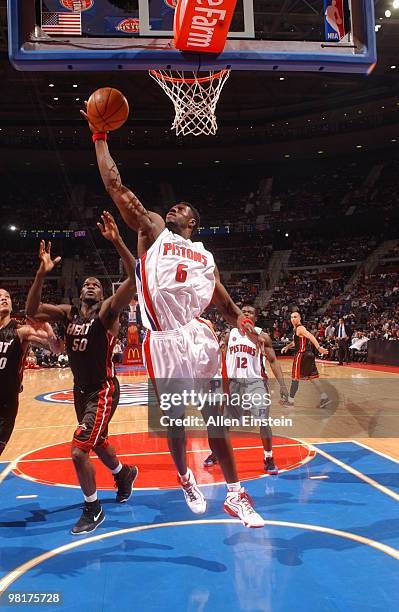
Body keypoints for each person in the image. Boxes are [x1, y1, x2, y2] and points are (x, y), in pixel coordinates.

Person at [85, 116, 266, 528]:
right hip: (162, 340)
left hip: (197, 337)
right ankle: (185, 476)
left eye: (181, 208)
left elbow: (227, 307)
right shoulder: (154, 231)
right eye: (171, 206)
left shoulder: (205, 257)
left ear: (193, 222)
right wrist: (99, 137)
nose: (173, 208)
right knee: (176, 423)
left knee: (214, 417)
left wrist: (249, 329)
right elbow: (117, 187)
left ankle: (236, 494)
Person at [26, 212, 138, 535]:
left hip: (103, 389)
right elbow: (32, 311)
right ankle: (123, 473)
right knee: (98, 442)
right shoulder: (68, 312)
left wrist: (117, 240)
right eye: (86, 282)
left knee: (78, 450)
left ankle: (93, 508)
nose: (90, 284)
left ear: (103, 295)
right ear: (80, 290)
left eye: (96, 284)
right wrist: (40, 274)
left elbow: (134, 277)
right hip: (79, 390)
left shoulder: (108, 313)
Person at [203, 304, 289, 474]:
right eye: (244, 312)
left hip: (255, 383)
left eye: (251, 312)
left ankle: (268, 457)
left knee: (263, 421)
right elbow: (221, 359)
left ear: (255, 318)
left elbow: (273, 361)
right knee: (223, 422)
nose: (247, 313)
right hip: (233, 383)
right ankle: (216, 453)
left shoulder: (262, 336)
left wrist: (283, 385)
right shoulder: (230, 334)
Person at [0, 288, 58, 456]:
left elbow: (53, 347)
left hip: (6, 404)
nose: (4, 299)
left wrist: (49, 333)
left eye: (7, 297)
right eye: (0, 297)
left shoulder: (20, 330)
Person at [281, 311, 329, 408]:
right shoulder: (297, 330)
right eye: (291, 317)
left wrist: (319, 348)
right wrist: (287, 347)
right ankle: (324, 397)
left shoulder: (300, 328)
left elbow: (311, 336)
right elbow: (295, 342)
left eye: (295, 317)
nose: (293, 319)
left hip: (301, 355)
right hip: (309, 355)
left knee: (295, 378)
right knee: (313, 378)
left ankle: (290, 402)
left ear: (299, 318)